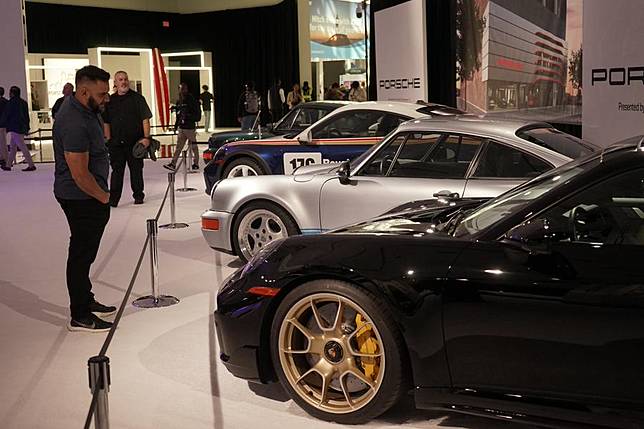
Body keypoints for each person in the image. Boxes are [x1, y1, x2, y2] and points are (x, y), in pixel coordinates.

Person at [53, 65, 115, 332]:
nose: (106, 99)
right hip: (81, 197)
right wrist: (103, 197)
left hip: (88, 196)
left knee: (85, 253)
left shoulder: (88, 110)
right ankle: (79, 313)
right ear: (83, 90)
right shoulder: (74, 121)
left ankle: (85, 300)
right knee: (80, 254)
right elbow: (79, 173)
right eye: (102, 94)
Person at [102, 71, 153, 206]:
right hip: (116, 144)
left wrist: (146, 138)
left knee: (136, 171)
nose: (123, 82)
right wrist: (108, 139)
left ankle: (138, 196)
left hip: (135, 143)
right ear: (115, 83)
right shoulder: (110, 101)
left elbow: (145, 119)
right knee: (116, 172)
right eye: (120, 79)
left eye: (125, 79)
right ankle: (113, 200)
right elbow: (106, 121)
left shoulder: (138, 99)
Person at [164, 82, 201, 171]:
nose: (182, 90)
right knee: (178, 147)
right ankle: (173, 163)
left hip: (189, 128)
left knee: (193, 147)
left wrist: (188, 116)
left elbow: (197, 115)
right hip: (182, 127)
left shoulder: (192, 100)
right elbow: (178, 115)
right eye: (180, 88)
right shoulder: (179, 101)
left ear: (186, 89)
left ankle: (196, 163)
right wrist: (176, 126)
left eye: (183, 88)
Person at [0, 86, 36, 172]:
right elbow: (27, 117)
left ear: (12, 93)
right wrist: (27, 127)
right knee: (13, 147)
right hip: (21, 127)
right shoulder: (23, 103)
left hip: (14, 128)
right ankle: (8, 165)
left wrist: (3, 124)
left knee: (21, 146)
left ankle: (31, 165)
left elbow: (6, 115)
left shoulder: (10, 103)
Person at [0, 87, 8, 167]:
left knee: (2, 143)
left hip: (1, 125)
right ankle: (3, 158)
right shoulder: (6, 102)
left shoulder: (3, 102)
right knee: (2, 142)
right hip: (4, 125)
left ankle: (4, 159)